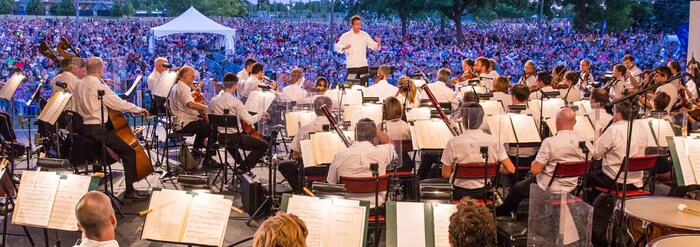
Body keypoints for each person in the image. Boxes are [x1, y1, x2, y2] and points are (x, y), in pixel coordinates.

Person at [73, 57, 150, 200]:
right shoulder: (98, 85)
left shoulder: (78, 84)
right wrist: (138, 109)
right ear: (100, 70)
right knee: (129, 152)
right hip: (97, 130)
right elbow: (118, 104)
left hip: (83, 129)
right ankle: (129, 191)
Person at [496, 108, 592, 216]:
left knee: (518, 188)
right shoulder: (585, 141)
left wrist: (534, 163)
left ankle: (502, 212)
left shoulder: (550, 142)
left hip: (550, 187)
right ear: (575, 122)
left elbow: (535, 170)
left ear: (556, 122)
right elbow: (591, 158)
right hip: (573, 185)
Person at [441, 103, 515, 200]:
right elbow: (511, 169)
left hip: (459, 192)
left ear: (463, 121)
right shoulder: (494, 141)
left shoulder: (453, 142)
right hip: (484, 192)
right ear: (481, 120)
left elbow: (445, 174)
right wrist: (491, 168)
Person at [587, 100, 650, 201]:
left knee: (587, 175)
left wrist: (598, 139)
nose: (613, 112)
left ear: (619, 115)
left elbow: (595, 153)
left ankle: (597, 210)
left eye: (614, 110)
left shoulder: (614, 130)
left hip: (616, 180)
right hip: (637, 180)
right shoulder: (641, 128)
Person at [207, 73, 270, 174]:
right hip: (235, 138)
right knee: (263, 145)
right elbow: (249, 120)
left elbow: (209, 116)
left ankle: (241, 164)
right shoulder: (235, 102)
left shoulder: (213, 101)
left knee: (232, 141)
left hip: (221, 138)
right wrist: (261, 114)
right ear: (235, 85)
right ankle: (244, 167)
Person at [327, 118, 394, 207]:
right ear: (374, 135)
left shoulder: (339, 156)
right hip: (377, 206)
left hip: (348, 207)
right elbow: (391, 143)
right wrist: (376, 131)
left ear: (355, 135)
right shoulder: (383, 152)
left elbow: (331, 182)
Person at [278, 96, 333, 194]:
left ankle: (300, 191)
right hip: (332, 168)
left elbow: (295, 155)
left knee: (283, 166)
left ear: (315, 110)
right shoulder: (338, 128)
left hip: (311, 168)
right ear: (330, 108)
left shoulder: (305, 128)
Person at [167, 66, 215, 163]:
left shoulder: (178, 86)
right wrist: (207, 108)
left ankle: (196, 151)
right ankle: (207, 157)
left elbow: (185, 98)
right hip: (184, 123)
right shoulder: (183, 88)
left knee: (203, 124)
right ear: (185, 76)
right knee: (212, 127)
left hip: (179, 122)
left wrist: (195, 93)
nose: (194, 79)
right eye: (192, 77)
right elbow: (190, 104)